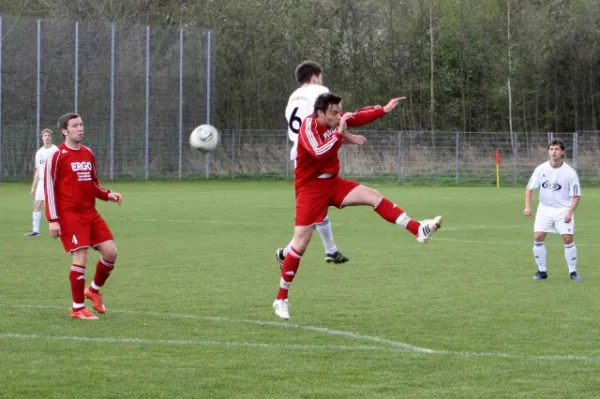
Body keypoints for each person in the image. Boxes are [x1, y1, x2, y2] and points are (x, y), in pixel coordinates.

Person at [273, 93, 443, 320]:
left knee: (374, 196)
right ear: (320, 113)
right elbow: (319, 151)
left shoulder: (335, 120)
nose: (338, 115)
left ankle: (417, 229)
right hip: (310, 190)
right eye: (334, 112)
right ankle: (281, 298)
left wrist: (382, 109)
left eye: (339, 111)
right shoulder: (308, 128)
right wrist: (342, 132)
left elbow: (358, 116)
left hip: (332, 183)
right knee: (300, 244)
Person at [44, 113, 123, 320]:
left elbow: (93, 184)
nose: (80, 128)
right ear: (64, 131)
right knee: (81, 256)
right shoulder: (57, 154)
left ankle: (93, 290)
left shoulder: (88, 153)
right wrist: (52, 219)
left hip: (90, 213)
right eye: (75, 126)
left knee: (111, 253)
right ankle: (77, 308)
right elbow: (49, 188)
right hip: (69, 214)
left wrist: (107, 195)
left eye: (81, 124)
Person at [276, 60, 349, 266]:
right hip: (314, 151)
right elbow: (332, 115)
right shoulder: (319, 90)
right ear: (315, 77)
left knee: (317, 204)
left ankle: (330, 250)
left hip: (299, 153)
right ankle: (289, 252)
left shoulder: (292, 97)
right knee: (316, 204)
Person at [524, 138, 582, 281]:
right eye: (551, 149)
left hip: (563, 210)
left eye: (556, 149)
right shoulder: (541, 169)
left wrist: (570, 212)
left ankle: (573, 272)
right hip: (544, 209)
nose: (553, 152)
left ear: (562, 152)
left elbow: (576, 196)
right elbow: (529, 189)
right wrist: (528, 207)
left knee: (568, 239)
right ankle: (542, 271)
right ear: (548, 151)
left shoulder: (570, 173)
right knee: (538, 237)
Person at [24, 129, 58, 236]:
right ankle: (35, 230)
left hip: (52, 183)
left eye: (48, 135)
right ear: (42, 138)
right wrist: (33, 187)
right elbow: (38, 171)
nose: (47, 137)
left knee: (55, 207)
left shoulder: (55, 150)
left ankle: (62, 228)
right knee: (37, 204)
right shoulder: (39, 152)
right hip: (41, 183)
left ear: (51, 137)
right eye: (45, 135)